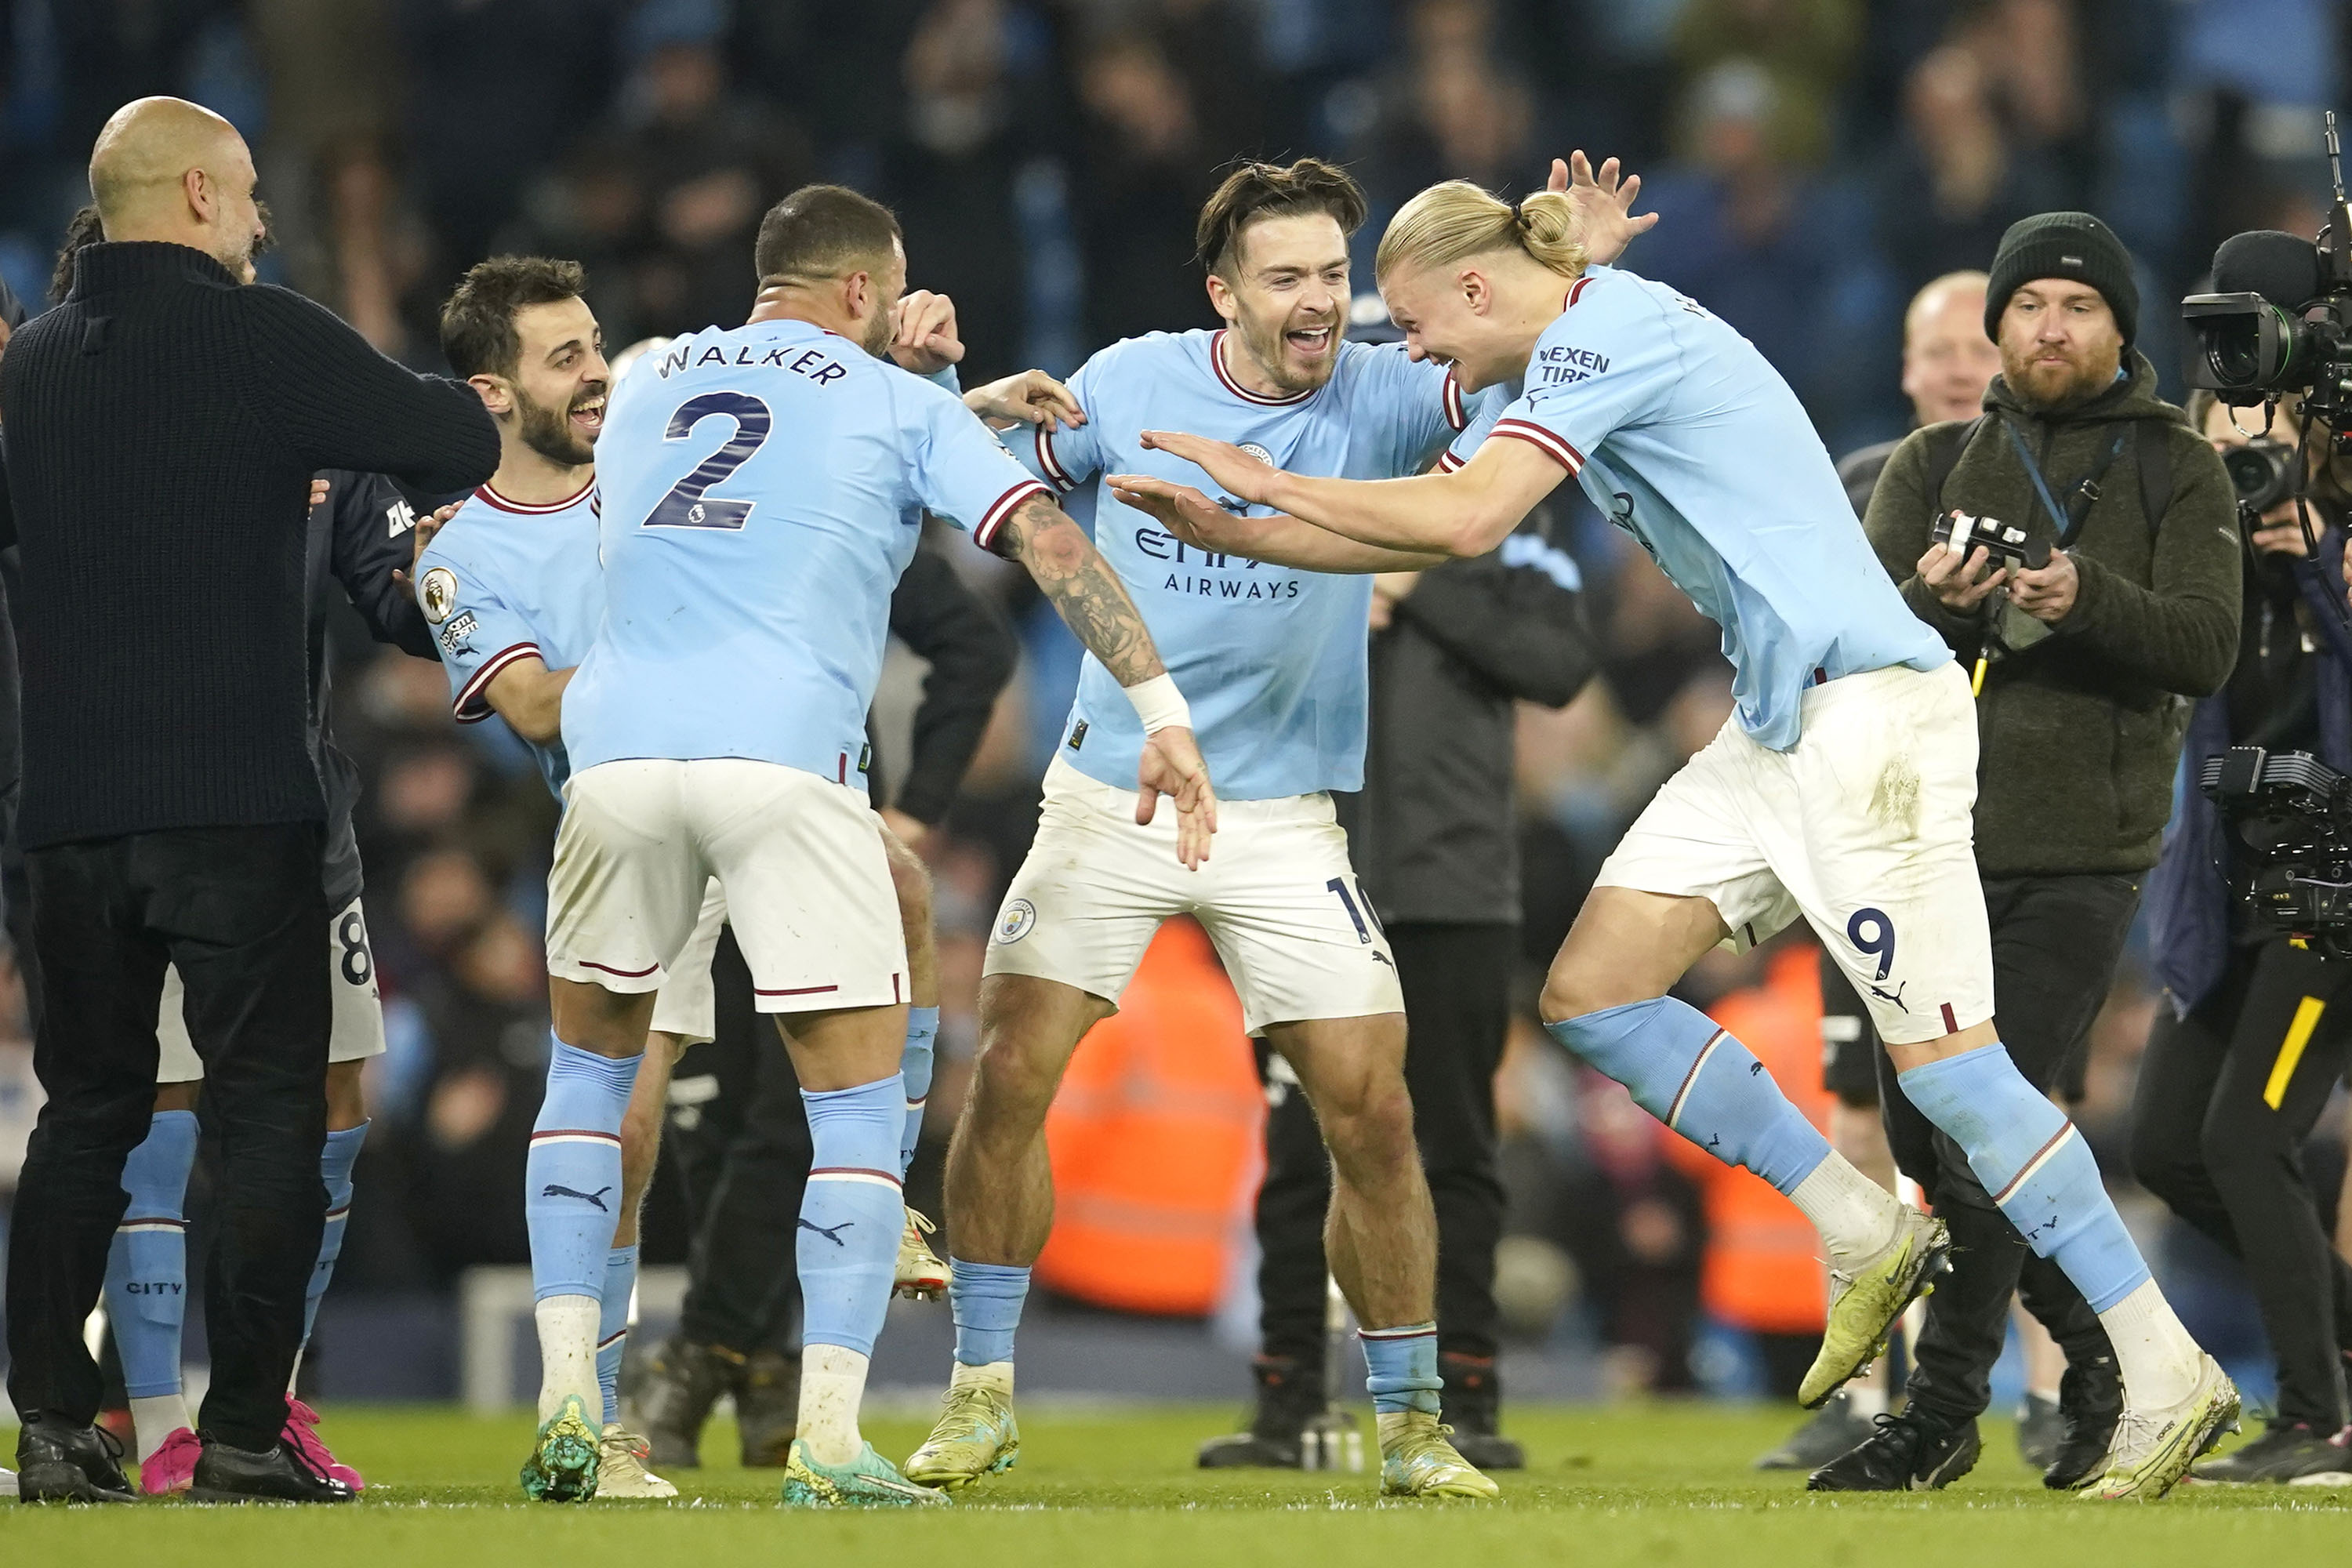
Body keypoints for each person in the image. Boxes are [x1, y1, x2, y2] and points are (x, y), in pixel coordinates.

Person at [1117, 177, 2238, 1502]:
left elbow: (1470, 522)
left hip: (1865, 716)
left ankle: (2170, 1368)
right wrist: (1254, 528)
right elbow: (1442, 499)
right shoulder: (1583, 326)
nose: (1416, 358)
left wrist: (1262, 487)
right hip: (1778, 730)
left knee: (1950, 1071)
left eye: (1419, 328)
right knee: (1595, 989)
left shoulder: (1604, 337)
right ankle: (1862, 1230)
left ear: (1477, 293)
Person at [904, 154, 1649, 1504]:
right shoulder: (1127, 382)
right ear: (1225, 291)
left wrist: (1576, 268)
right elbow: (957, 483)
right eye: (1288, 276)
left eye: (1332, 275)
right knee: (1013, 1075)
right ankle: (979, 1394)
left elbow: (1541, 356)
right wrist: (948, 398)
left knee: (1374, 1113)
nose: (1321, 301)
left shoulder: (1389, 391)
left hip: (1286, 817)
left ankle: (1414, 1422)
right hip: (1112, 788)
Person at [539, 182, 1214, 1509]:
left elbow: (744, 455)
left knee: (585, 1080)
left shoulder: (645, 372)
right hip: (782, 766)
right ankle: (831, 1440)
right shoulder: (894, 402)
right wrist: (1161, 707)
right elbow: (1048, 541)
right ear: (865, 293)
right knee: (849, 1108)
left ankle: (574, 1415)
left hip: (612, 761)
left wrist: (921, 400)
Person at [0, 96, 496, 1504]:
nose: (266, 219)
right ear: (207, 200)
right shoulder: (264, 334)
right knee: (270, 1116)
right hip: (239, 802)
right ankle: (237, 1436)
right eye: (256, 194)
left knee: (84, 1118)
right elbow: (444, 440)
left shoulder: (28, 368)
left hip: (72, 818)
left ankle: (51, 1430)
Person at [1825, 212, 2239, 1494]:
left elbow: (2205, 648)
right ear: (1998, 328)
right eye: (2030, 306)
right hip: (1919, 846)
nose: (2050, 328)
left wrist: (2081, 598)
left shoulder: (2181, 470)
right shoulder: (1934, 461)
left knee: (1987, 1126)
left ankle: (1941, 1411)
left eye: (2078, 306)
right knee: (1928, 1129)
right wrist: (1932, 610)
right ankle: (2110, 1363)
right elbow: (1850, 652)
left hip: (2082, 849)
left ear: (2122, 328)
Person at [1200, 355, 1596, 1471]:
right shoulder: (1296, 510)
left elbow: (1562, 661)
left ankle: (1467, 1398)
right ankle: (1288, 1404)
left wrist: (1422, 574)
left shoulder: (1511, 528)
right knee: (1294, 1144)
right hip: (1299, 876)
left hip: (1454, 882)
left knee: (1459, 1144)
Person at [2136, 391, 2352, 1485]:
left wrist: (2320, 557)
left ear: (2312, 445)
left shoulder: (2342, 555)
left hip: (2334, 895)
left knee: (2247, 1140)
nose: (2245, 474)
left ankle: (2315, 1424)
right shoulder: (2205, 567)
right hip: (2230, 895)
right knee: (2168, 1145)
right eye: (2221, 453)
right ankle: (2338, 1355)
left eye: (2262, 451)